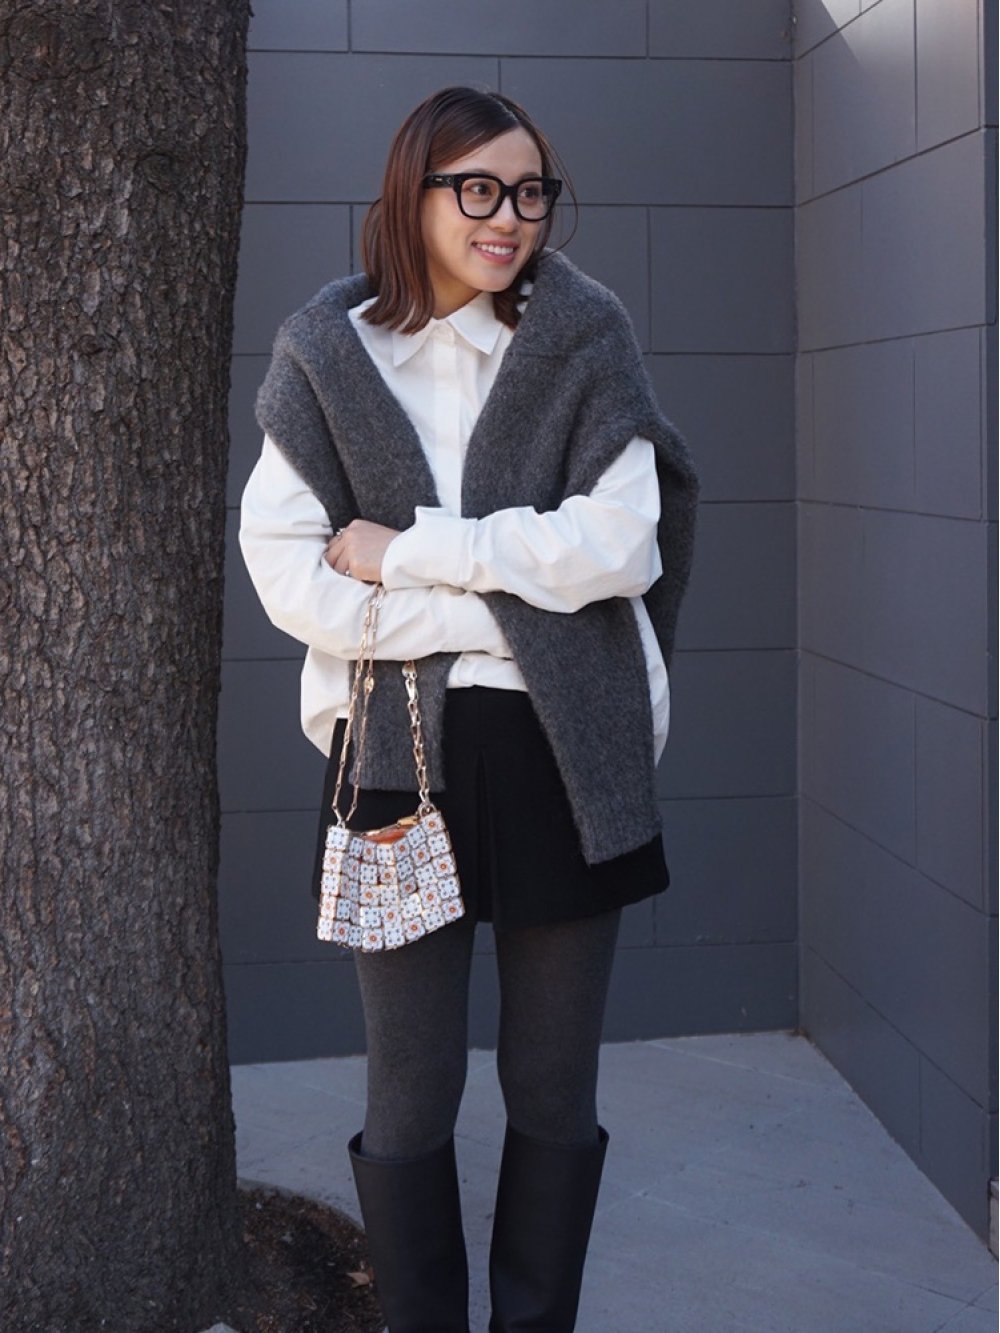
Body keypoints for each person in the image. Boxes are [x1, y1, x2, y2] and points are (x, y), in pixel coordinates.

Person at [240, 85, 699, 1333]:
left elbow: (621, 543)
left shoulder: (585, 335)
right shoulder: (326, 353)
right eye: (479, 189)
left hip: (570, 753)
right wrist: (507, 610)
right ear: (416, 192)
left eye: (531, 191)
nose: (510, 217)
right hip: (395, 758)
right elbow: (294, 581)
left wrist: (411, 553)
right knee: (410, 1088)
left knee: (553, 1084)